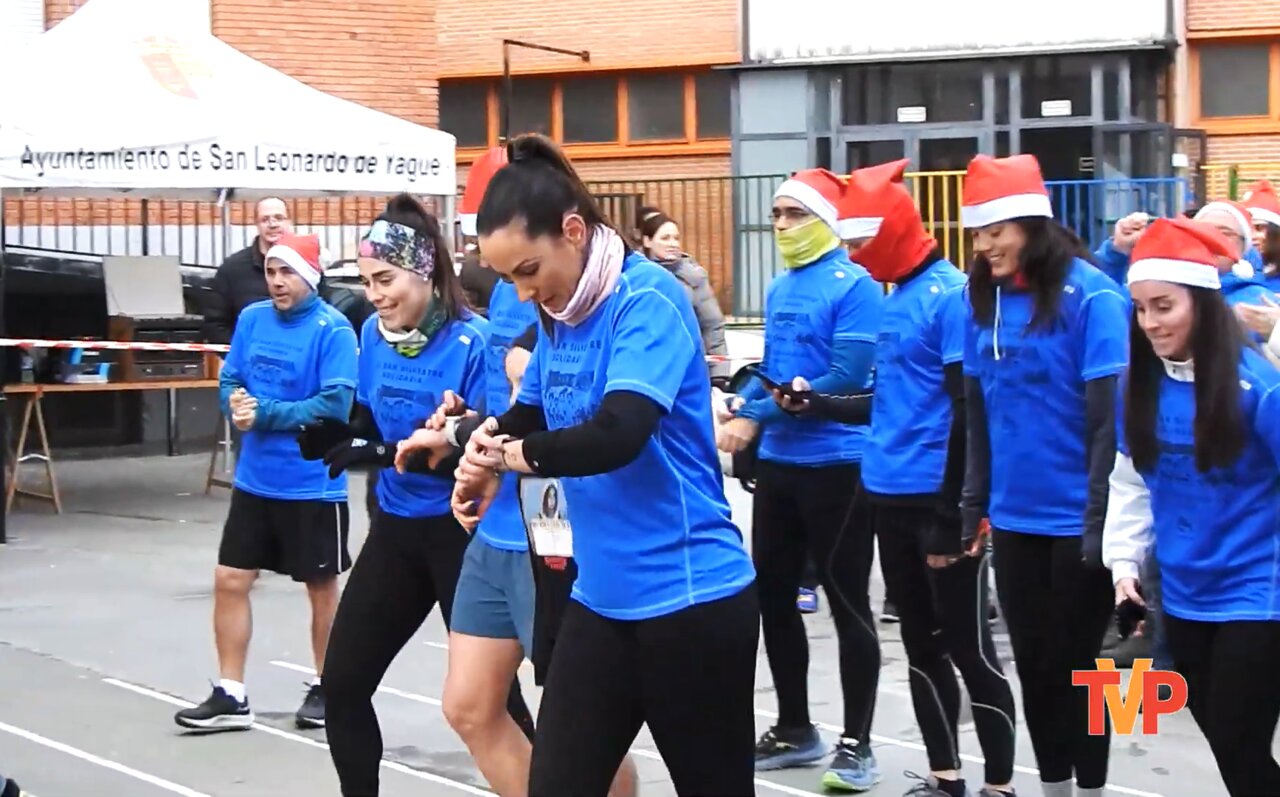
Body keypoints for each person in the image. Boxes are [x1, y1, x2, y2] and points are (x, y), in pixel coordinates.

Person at [446, 133, 758, 797]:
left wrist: (512, 456)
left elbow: (619, 433)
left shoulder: (648, 301)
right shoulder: (560, 313)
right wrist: (481, 448)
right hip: (601, 602)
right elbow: (527, 413)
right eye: (508, 280)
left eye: (528, 270)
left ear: (573, 230)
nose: (524, 294)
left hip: (690, 599)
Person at [776, 158, 1016, 797]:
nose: (852, 256)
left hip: (936, 498)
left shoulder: (951, 296)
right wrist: (817, 402)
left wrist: (957, 510)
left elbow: (969, 407)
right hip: (887, 492)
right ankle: (945, 778)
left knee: (970, 650)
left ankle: (1000, 786)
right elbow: (887, 399)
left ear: (891, 232)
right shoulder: (892, 298)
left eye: (859, 242)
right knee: (920, 646)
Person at [297, 195, 534, 797]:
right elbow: (382, 421)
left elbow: (482, 450)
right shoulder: (373, 336)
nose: (374, 294)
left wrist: (377, 453)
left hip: (462, 535)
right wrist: (346, 431)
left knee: (496, 704)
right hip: (397, 532)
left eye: (386, 279)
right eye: (366, 281)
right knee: (343, 683)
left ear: (424, 272)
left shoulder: (473, 343)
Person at [959, 154, 1130, 797]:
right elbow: (977, 416)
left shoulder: (1095, 296)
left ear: (1029, 222)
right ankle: (1055, 785)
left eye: (993, 230)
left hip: (1083, 521)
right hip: (1015, 517)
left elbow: (1106, 426)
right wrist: (974, 506)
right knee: (1033, 665)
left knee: (1089, 670)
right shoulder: (982, 301)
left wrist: (1099, 528)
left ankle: (1095, 787)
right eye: (976, 234)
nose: (983, 246)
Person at [717, 168, 885, 790]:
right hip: (783, 464)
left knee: (846, 602)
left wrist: (757, 415)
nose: (781, 225)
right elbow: (781, 370)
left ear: (825, 222)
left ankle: (857, 743)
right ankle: (795, 727)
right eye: (778, 214)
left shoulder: (858, 287)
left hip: (838, 465)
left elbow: (845, 375)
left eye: (793, 214)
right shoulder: (783, 286)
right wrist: (748, 401)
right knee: (774, 598)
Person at [1103, 217, 1280, 797]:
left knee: (1238, 737)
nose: (1150, 323)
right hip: (1182, 593)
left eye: (1164, 306)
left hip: (1259, 593)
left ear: (1201, 305)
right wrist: (1124, 568)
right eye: (1141, 309)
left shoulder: (1259, 390)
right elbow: (1131, 482)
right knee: (1227, 743)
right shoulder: (1139, 386)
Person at [175, 233, 358, 732]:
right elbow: (231, 376)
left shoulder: (334, 331)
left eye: (288, 273)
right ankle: (231, 694)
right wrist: (232, 403)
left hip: (312, 483)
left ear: (310, 277)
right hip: (256, 481)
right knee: (229, 580)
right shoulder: (253, 319)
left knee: (321, 590)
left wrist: (268, 413)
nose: (277, 282)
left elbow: (334, 406)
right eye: (272, 272)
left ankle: (331, 687)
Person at [635, 207, 730, 386]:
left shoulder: (694, 277)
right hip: (644, 371)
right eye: (665, 238)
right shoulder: (633, 277)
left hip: (688, 372)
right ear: (647, 241)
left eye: (676, 238)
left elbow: (713, 325)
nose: (673, 244)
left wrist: (719, 376)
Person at [203, 197, 292, 344]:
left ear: (289, 222)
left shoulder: (305, 265)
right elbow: (215, 324)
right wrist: (241, 356)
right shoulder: (232, 269)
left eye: (279, 218)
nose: (273, 224)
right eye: (265, 219)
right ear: (256, 224)